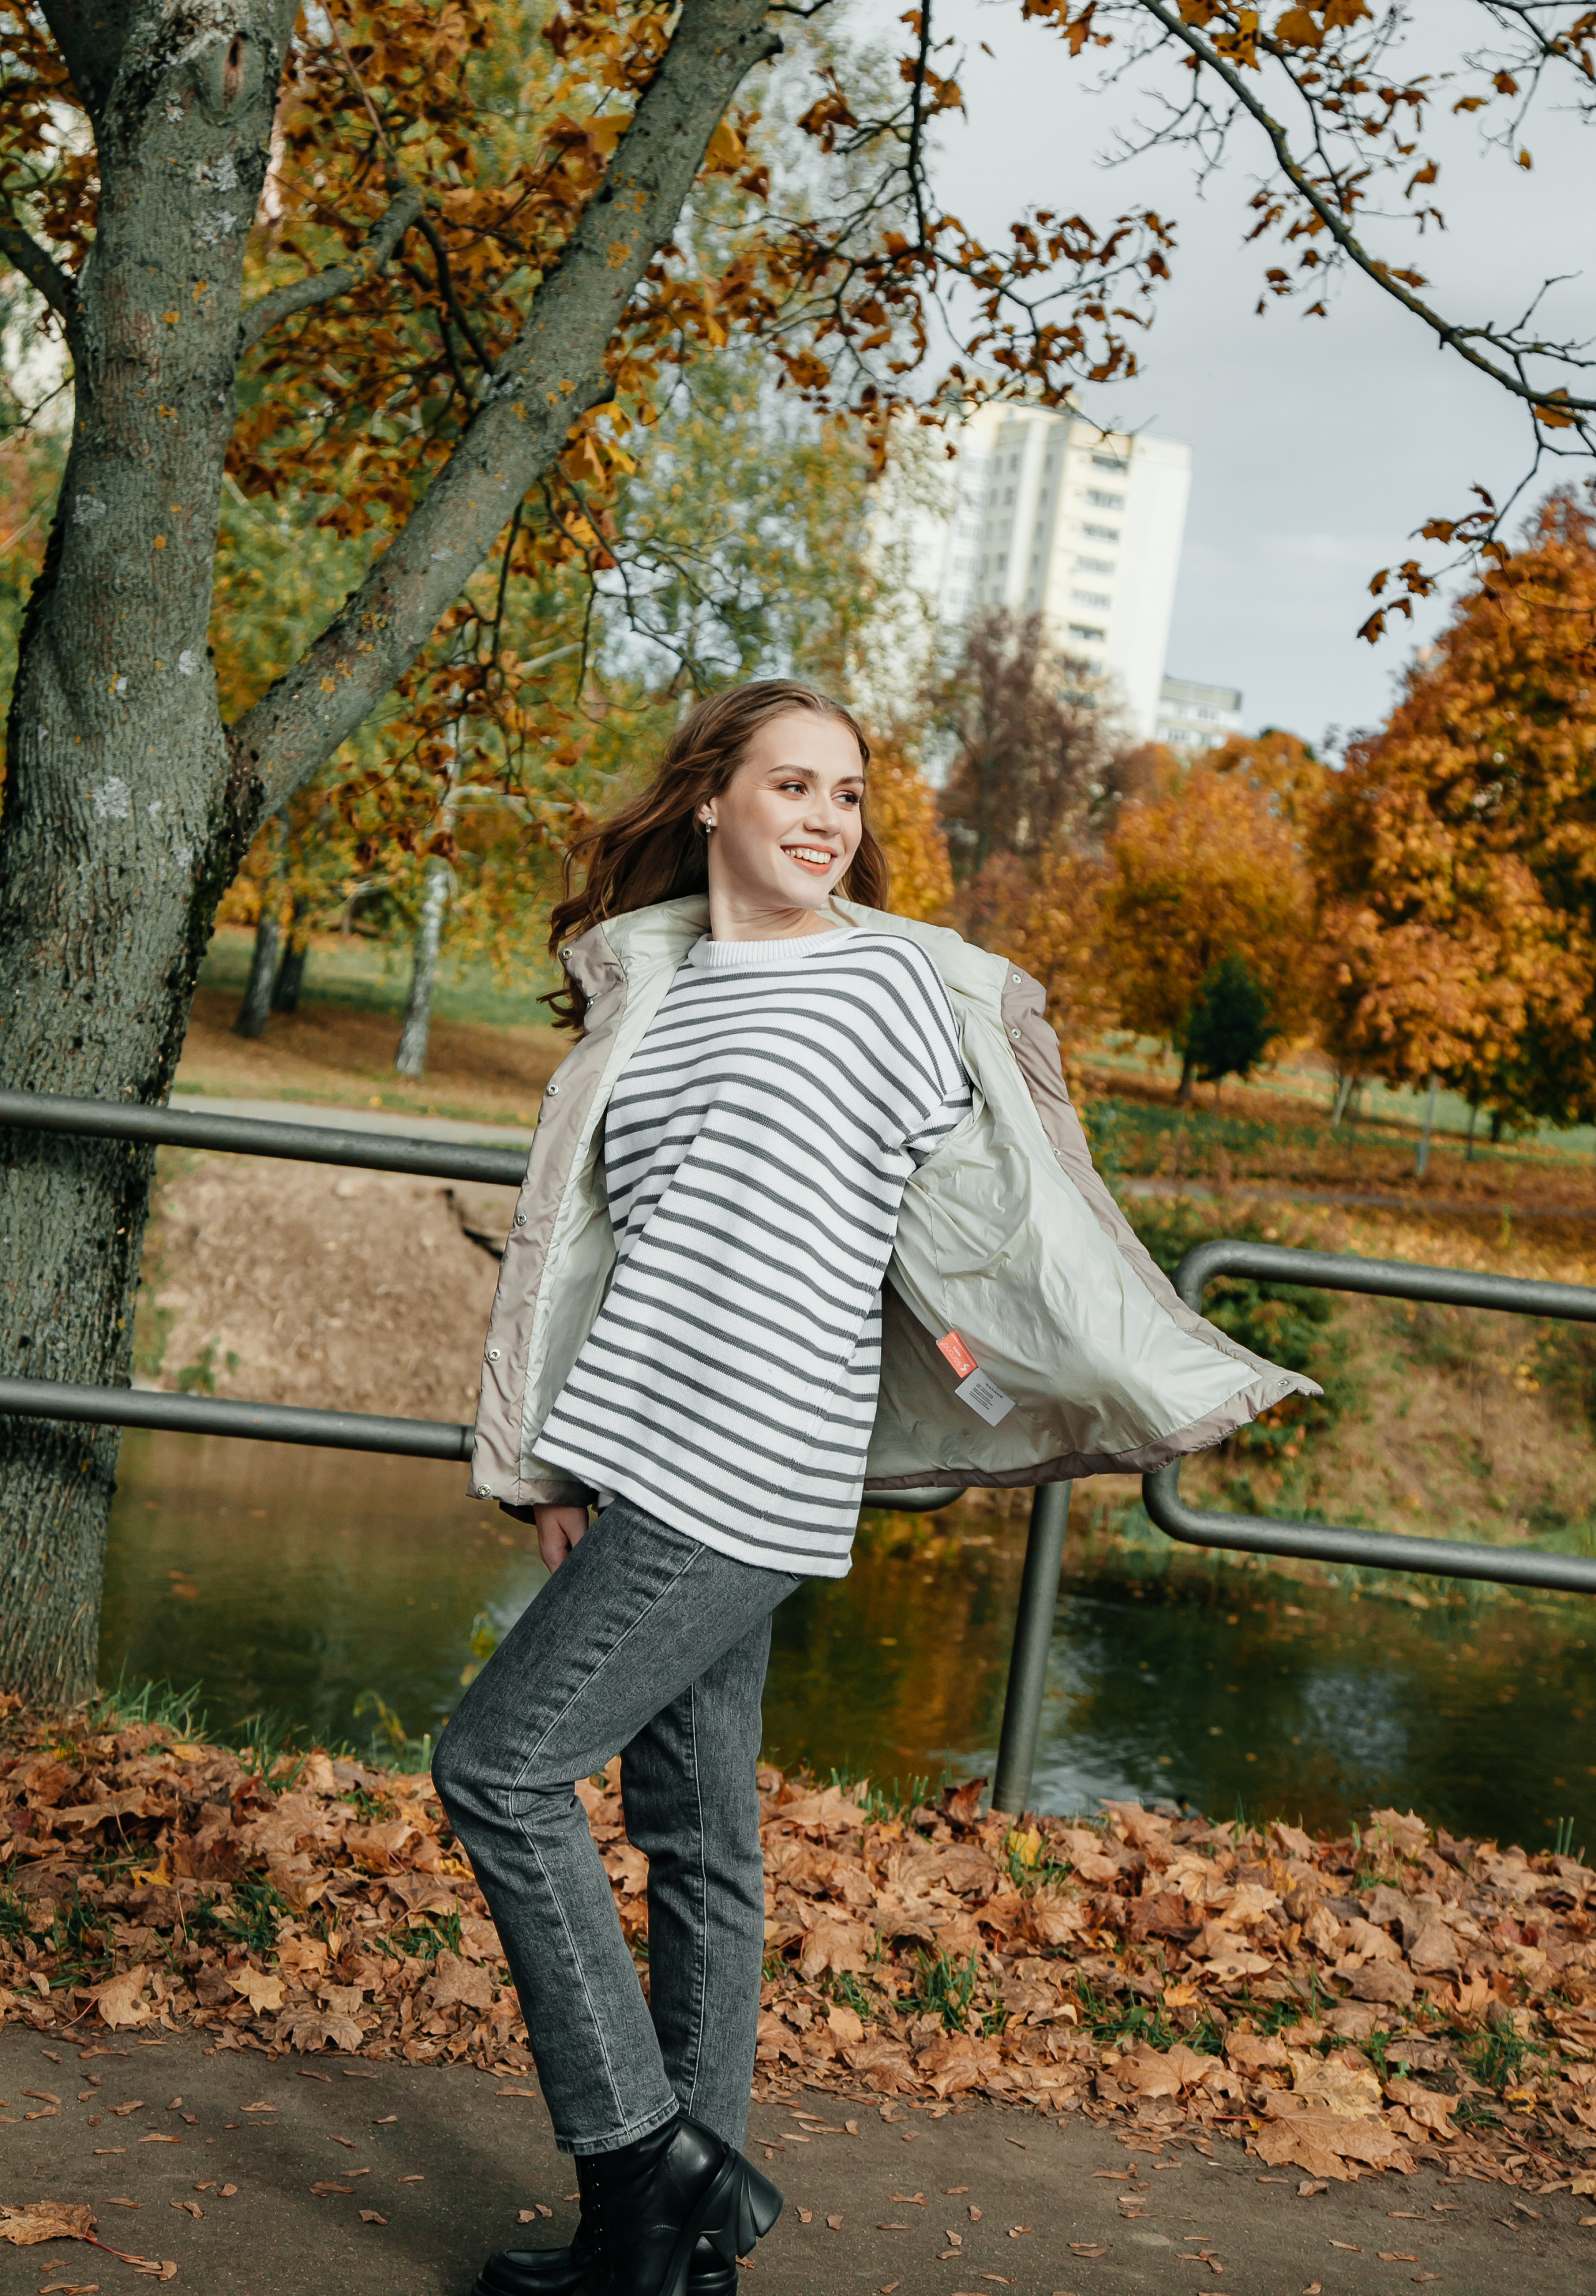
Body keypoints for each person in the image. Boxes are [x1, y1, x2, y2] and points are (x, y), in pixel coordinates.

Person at [432, 678, 1315, 2296]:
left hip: (751, 1458)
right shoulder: (657, 989)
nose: (828, 819)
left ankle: (650, 2156)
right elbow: (605, 1254)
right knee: (698, 1836)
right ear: (712, 800)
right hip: (641, 1448)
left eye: (848, 794)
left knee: (495, 1767)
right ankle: (665, 2264)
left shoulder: (890, 989)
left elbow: (980, 1224)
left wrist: (1050, 1371)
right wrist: (556, 1456)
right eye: (794, 785)